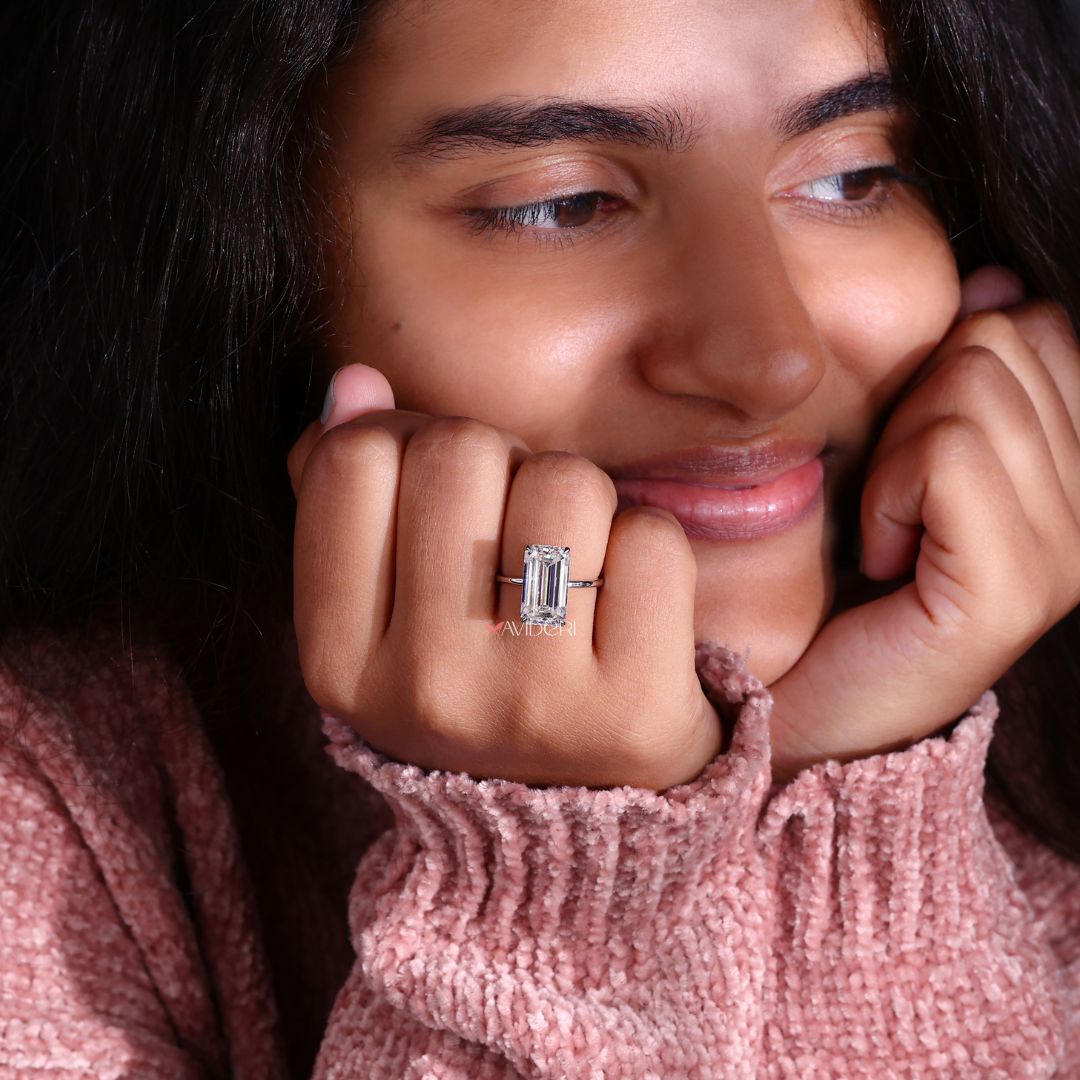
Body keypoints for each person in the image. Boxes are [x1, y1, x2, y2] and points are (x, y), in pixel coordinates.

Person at [1, 0, 1078, 1076]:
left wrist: (837, 803)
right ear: (246, 256)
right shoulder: (45, 807)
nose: (768, 361)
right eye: (561, 205)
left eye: (853, 176)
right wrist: (559, 884)